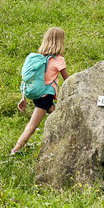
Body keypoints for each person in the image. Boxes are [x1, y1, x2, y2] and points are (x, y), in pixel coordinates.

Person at [11, 27, 68, 155]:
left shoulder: (38, 58)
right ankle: (15, 150)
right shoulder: (58, 59)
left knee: (59, 118)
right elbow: (68, 80)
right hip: (45, 97)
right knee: (32, 126)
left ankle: (63, 144)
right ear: (60, 41)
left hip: (38, 95)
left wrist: (23, 97)